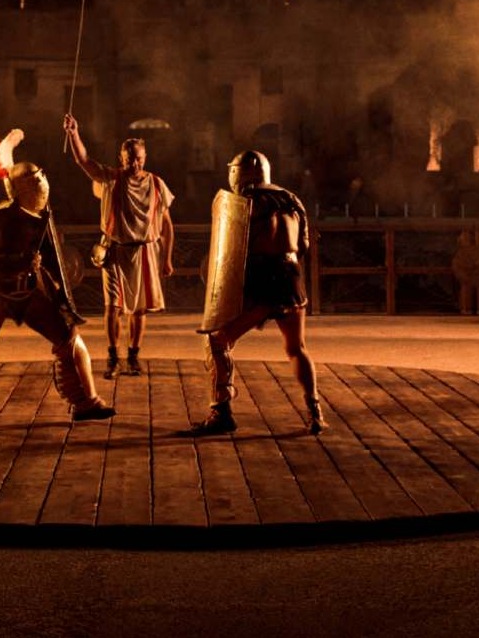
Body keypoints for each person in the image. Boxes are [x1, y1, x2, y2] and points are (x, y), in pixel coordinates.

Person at [0, 139, 116, 433]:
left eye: (41, 176)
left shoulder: (42, 218)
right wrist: (21, 261)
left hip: (30, 293)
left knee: (70, 339)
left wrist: (57, 292)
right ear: (20, 188)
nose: (41, 182)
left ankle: (85, 401)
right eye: (33, 179)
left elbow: (52, 260)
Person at [188, 150, 326, 436]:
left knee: (218, 341)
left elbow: (235, 250)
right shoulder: (292, 200)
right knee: (296, 348)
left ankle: (221, 412)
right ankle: (315, 413)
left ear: (242, 173)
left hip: (266, 283)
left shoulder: (244, 203)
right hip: (291, 279)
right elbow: (303, 246)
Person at [63, 113, 175, 379]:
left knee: (139, 309)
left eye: (138, 158)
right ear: (121, 159)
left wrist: (167, 258)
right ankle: (113, 357)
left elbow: (167, 224)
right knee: (112, 306)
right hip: (114, 249)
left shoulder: (157, 184)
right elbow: (83, 161)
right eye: (129, 159)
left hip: (145, 250)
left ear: (144, 157)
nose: (134, 163)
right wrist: (73, 133)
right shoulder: (110, 179)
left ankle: (133, 357)